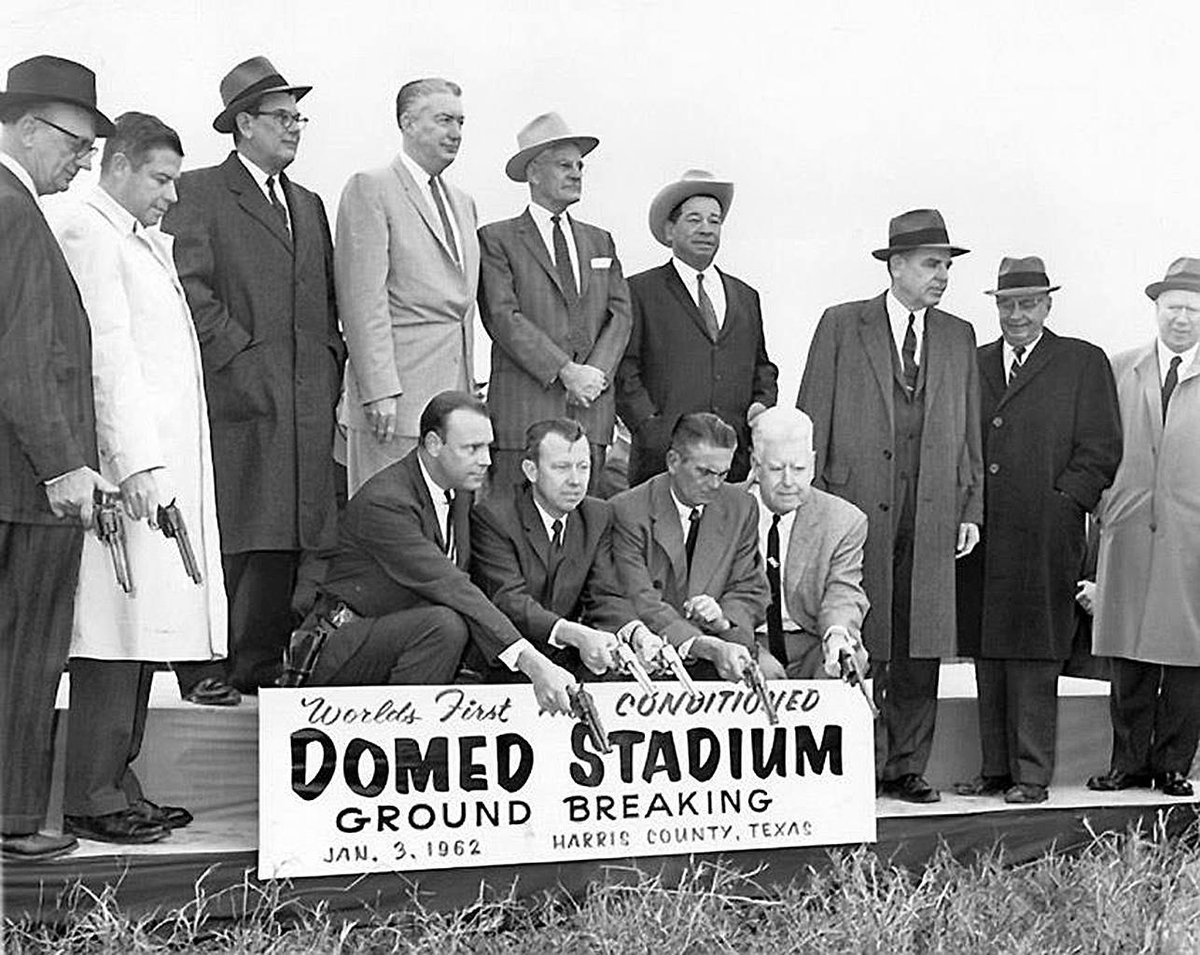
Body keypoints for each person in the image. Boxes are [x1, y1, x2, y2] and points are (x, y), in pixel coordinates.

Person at [48, 111, 231, 844]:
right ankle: (91, 793)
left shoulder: (135, 238)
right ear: (116, 166)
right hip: (130, 475)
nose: (171, 196)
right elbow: (108, 357)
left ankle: (118, 780)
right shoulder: (89, 230)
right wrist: (137, 463)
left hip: (158, 474)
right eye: (160, 178)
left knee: (142, 628)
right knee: (113, 627)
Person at [162, 56, 345, 702]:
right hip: (237, 400)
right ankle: (205, 663)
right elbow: (188, 288)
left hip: (302, 401)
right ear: (243, 124)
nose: (295, 127)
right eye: (281, 116)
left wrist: (328, 368)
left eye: (299, 117)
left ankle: (259, 664)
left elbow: (324, 301)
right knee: (234, 531)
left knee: (286, 535)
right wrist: (241, 361)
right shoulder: (200, 192)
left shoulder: (310, 203)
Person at [797, 209, 983, 803]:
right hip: (853, 507)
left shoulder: (958, 336)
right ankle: (857, 760)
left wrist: (969, 506)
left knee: (921, 636)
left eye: (947, 266)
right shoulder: (841, 324)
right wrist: (811, 502)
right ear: (895, 265)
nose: (942, 276)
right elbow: (811, 417)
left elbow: (970, 429)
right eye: (932, 264)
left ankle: (907, 766)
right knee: (859, 629)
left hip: (930, 508)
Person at [0, 54, 117, 863]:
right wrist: (62, 464)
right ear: (34, 128)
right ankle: (9, 822)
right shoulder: (11, 211)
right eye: (80, 146)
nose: (83, 163)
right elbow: (23, 357)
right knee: (23, 654)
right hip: (23, 485)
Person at [954, 257, 1121, 805]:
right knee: (988, 650)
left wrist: (1064, 501)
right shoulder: (973, 362)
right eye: (1007, 304)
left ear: (1048, 305)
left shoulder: (1081, 361)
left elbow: (1101, 446)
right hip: (983, 533)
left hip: (1046, 533)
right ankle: (996, 770)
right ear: (996, 307)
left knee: (1035, 651)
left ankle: (1031, 774)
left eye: (1028, 303)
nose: (1017, 315)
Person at [298, 392, 578, 714]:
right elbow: (451, 585)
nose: (487, 459)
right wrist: (532, 663)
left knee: (462, 631)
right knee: (444, 625)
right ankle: (398, 748)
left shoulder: (457, 493)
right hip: (341, 647)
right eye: (472, 448)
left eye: (488, 446)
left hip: (399, 638)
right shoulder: (386, 502)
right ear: (433, 444)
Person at [1087, 258, 1200, 798]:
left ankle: (1174, 764)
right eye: (1174, 306)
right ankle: (1126, 763)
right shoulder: (1118, 368)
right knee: (1127, 654)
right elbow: (1096, 444)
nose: (1183, 318)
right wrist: (1107, 505)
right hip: (1129, 529)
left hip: (1191, 538)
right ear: (1156, 308)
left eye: (1194, 309)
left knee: (1188, 658)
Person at [336, 78, 479, 495]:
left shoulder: (464, 203)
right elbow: (362, 299)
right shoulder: (371, 188)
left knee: (440, 530)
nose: (455, 132)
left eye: (460, 122)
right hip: (396, 404)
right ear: (407, 123)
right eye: (443, 120)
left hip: (453, 402)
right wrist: (379, 390)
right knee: (385, 524)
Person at [477, 112, 631, 496]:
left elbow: (621, 314)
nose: (577, 173)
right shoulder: (497, 240)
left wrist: (594, 374)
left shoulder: (601, 241)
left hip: (590, 416)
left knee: (584, 533)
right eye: (565, 165)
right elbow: (502, 317)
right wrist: (565, 371)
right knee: (515, 530)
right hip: (525, 415)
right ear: (533, 172)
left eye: (580, 165)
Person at [617, 169, 778, 486]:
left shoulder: (746, 297)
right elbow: (624, 371)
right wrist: (654, 430)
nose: (706, 229)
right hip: (664, 465)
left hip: (732, 466)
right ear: (669, 229)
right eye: (694, 219)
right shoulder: (638, 291)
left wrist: (762, 405)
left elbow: (762, 367)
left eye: (714, 221)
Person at [470, 418, 660, 678]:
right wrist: (573, 633)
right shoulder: (493, 517)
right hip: (507, 662)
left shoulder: (597, 515)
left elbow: (604, 594)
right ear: (531, 471)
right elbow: (509, 600)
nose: (575, 480)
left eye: (583, 467)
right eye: (561, 468)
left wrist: (635, 631)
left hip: (569, 657)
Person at [610, 413, 769, 681]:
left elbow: (750, 588)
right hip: (651, 658)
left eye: (724, 474)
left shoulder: (741, 506)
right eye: (705, 472)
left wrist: (723, 618)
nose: (715, 484)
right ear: (673, 461)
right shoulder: (626, 511)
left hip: (723, 648)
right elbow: (640, 600)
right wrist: (705, 646)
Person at [745, 407, 869, 681]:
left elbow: (844, 592)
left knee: (849, 661)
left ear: (813, 464)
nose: (789, 481)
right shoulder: (725, 512)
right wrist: (748, 650)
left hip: (812, 641)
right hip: (747, 640)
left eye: (799, 468)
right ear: (755, 465)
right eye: (776, 469)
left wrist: (838, 635)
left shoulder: (845, 520)